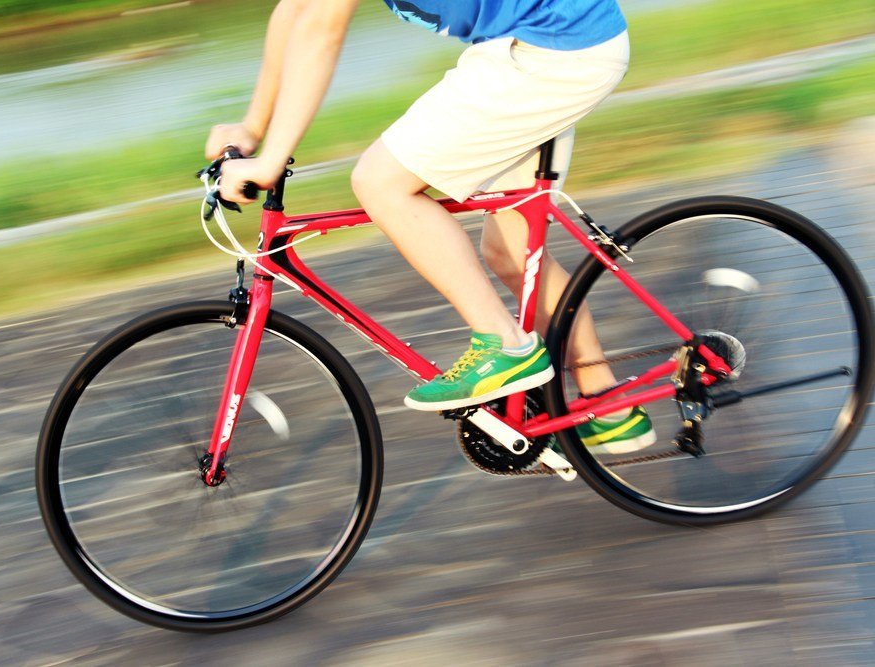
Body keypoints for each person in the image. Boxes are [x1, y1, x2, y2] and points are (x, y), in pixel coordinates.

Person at [206, 0, 654, 453]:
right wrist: (252, 126)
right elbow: (296, 10)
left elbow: (323, 28)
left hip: (548, 52)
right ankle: (609, 405)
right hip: (551, 43)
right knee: (511, 251)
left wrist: (272, 160)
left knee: (380, 183)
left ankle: (506, 346)